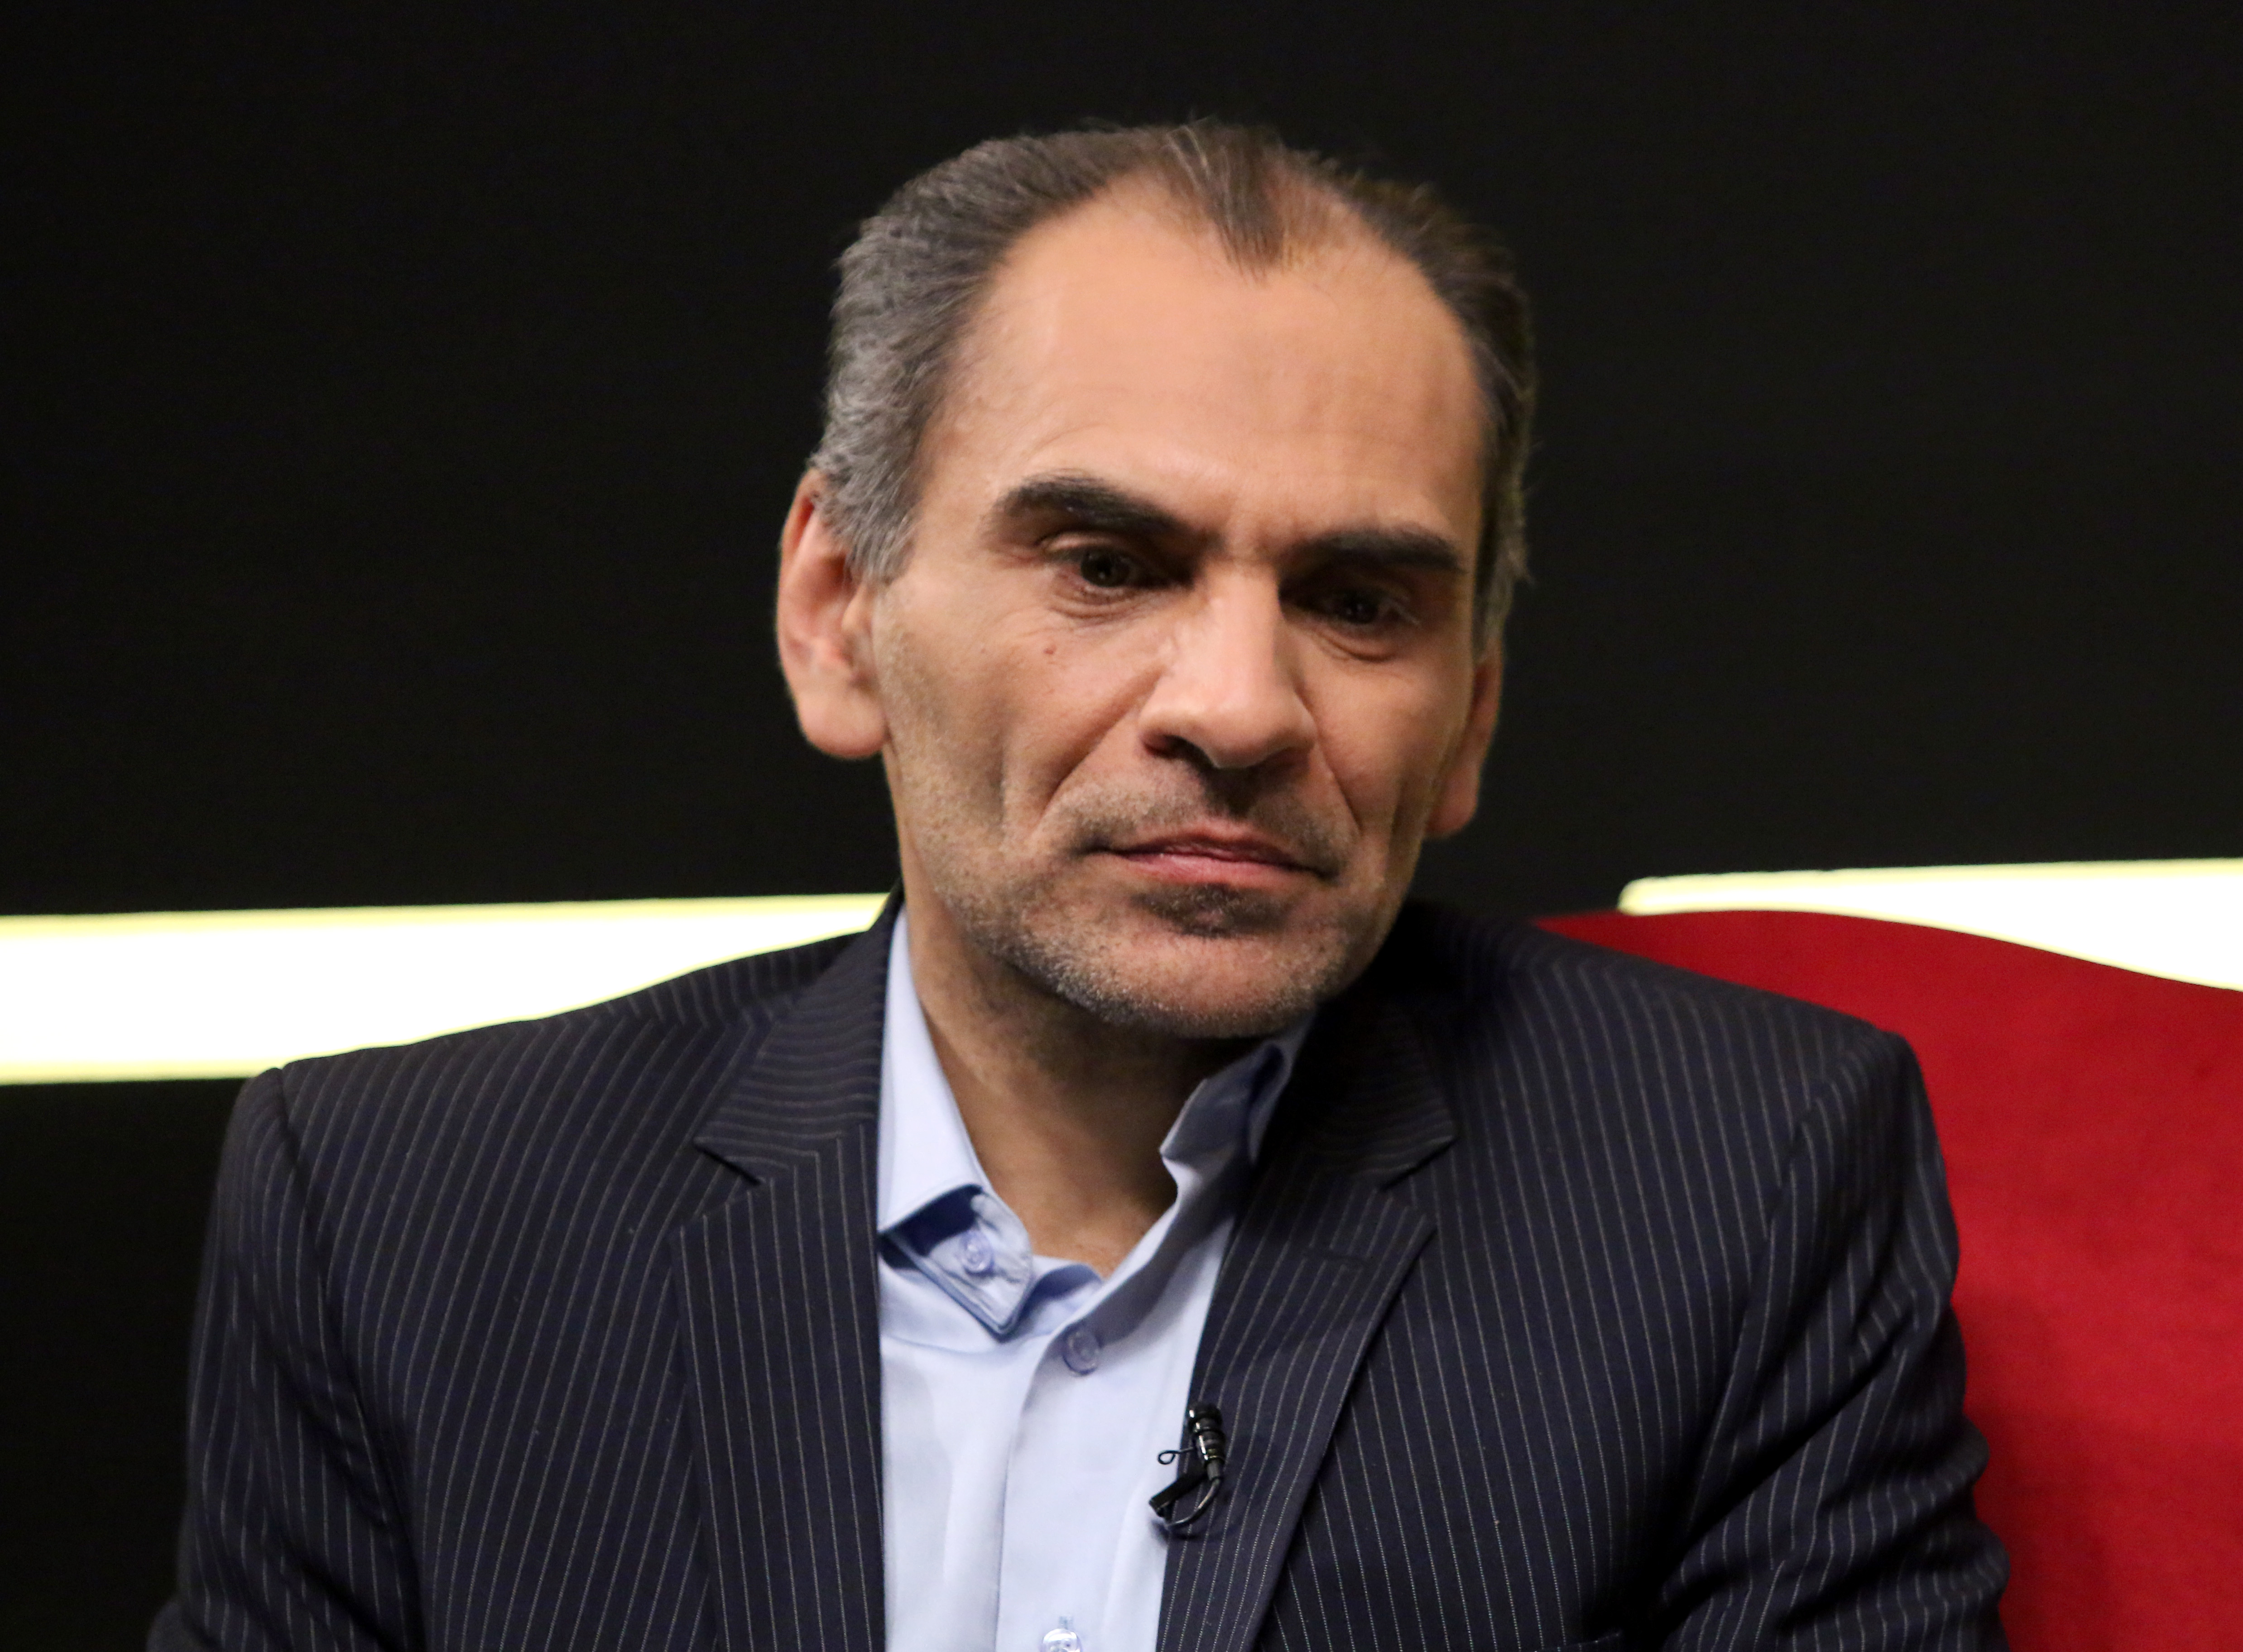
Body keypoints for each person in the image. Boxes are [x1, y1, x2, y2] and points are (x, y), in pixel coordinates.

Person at [154, 122, 2008, 1652]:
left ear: (1472, 717)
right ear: (839, 614)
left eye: (1360, 602)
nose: (1241, 708)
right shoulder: (395, 1216)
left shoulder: (1742, 1185)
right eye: (1109, 565)